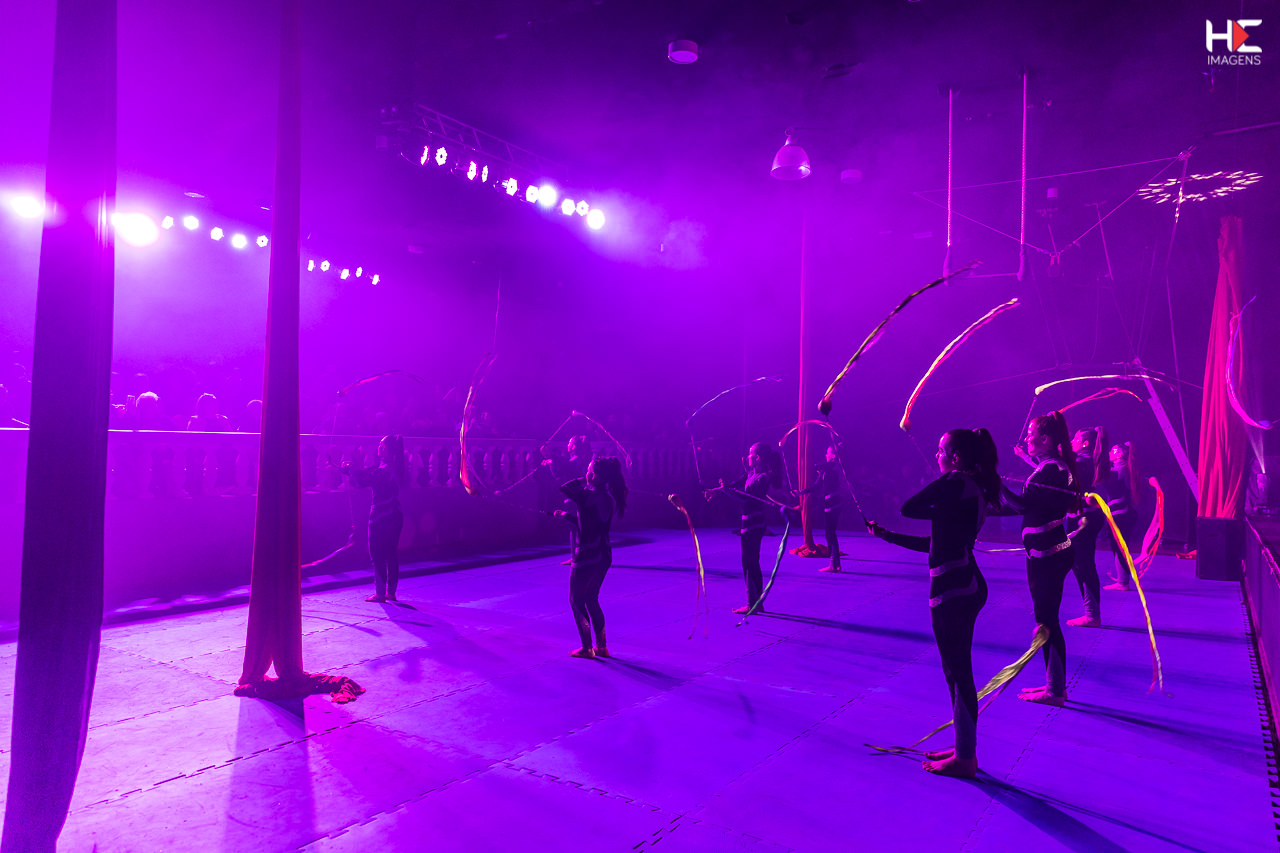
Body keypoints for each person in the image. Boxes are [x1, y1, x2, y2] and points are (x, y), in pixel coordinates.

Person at [866, 428, 1000, 779]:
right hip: (963, 582)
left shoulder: (956, 483)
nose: (936, 455)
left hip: (954, 588)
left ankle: (966, 759)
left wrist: (944, 484)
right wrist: (888, 536)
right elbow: (935, 542)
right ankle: (963, 745)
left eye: (942, 451)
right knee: (954, 671)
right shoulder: (970, 487)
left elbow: (908, 507)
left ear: (955, 458)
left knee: (958, 672)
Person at [1000, 412, 1079, 707]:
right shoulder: (1050, 468)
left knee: (1047, 623)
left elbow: (1022, 506)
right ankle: (1054, 684)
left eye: (1031, 435)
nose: (1026, 439)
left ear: (1045, 439)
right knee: (1045, 621)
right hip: (1045, 553)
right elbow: (1029, 507)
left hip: (1048, 555)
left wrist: (994, 484)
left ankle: (1055, 691)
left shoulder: (1052, 470)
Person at [557, 456, 627, 659]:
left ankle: (587, 647)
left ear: (593, 475)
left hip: (587, 554)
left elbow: (564, 488)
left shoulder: (586, 495)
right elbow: (589, 525)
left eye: (588, 470)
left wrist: (585, 478)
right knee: (591, 598)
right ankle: (601, 646)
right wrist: (566, 516)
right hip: (603, 554)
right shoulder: (607, 497)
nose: (585, 473)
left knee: (576, 599)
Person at [706, 441, 787, 614]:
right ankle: (757, 603)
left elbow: (744, 498)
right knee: (749, 561)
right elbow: (733, 486)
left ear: (757, 458)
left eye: (750, 453)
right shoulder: (750, 473)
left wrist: (726, 491)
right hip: (747, 521)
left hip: (754, 522)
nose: (747, 456)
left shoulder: (763, 478)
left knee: (750, 562)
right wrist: (716, 490)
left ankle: (753, 603)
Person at [345, 435, 406, 603]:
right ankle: (390, 593)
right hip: (395, 516)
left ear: (389, 450)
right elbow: (365, 474)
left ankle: (380, 594)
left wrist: (350, 471)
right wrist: (350, 470)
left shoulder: (383, 471)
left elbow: (360, 481)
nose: (379, 448)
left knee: (378, 554)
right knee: (391, 554)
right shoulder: (393, 468)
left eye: (382, 446)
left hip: (381, 517)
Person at [1066, 427, 1109, 627]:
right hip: (1087, 517)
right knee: (1081, 563)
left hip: (1083, 519)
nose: (1071, 441)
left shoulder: (1082, 462)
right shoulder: (1087, 461)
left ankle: (1092, 615)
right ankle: (1092, 613)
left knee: (1083, 565)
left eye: (1075, 438)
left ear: (1085, 444)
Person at [1100, 441, 1141, 591]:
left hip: (1120, 515)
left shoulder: (1120, 470)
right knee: (1119, 548)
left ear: (1120, 455)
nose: (1110, 453)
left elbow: (1103, 478)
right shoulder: (1122, 469)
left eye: (1113, 451)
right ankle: (1122, 580)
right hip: (1121, 514)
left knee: (1119, 548)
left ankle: (1123, 582)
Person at [803, 445, 846, 573]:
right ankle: (835, 564)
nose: (825, 455)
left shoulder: (834, 466)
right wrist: (801, 492)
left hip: (834, 502)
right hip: (829, 502)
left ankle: (834, 564)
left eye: (828, 453)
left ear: (833, 456)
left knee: (830, 533)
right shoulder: (828, 469)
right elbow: (816, 486)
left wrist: (819, 468)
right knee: (829, 533)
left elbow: (817, 466)